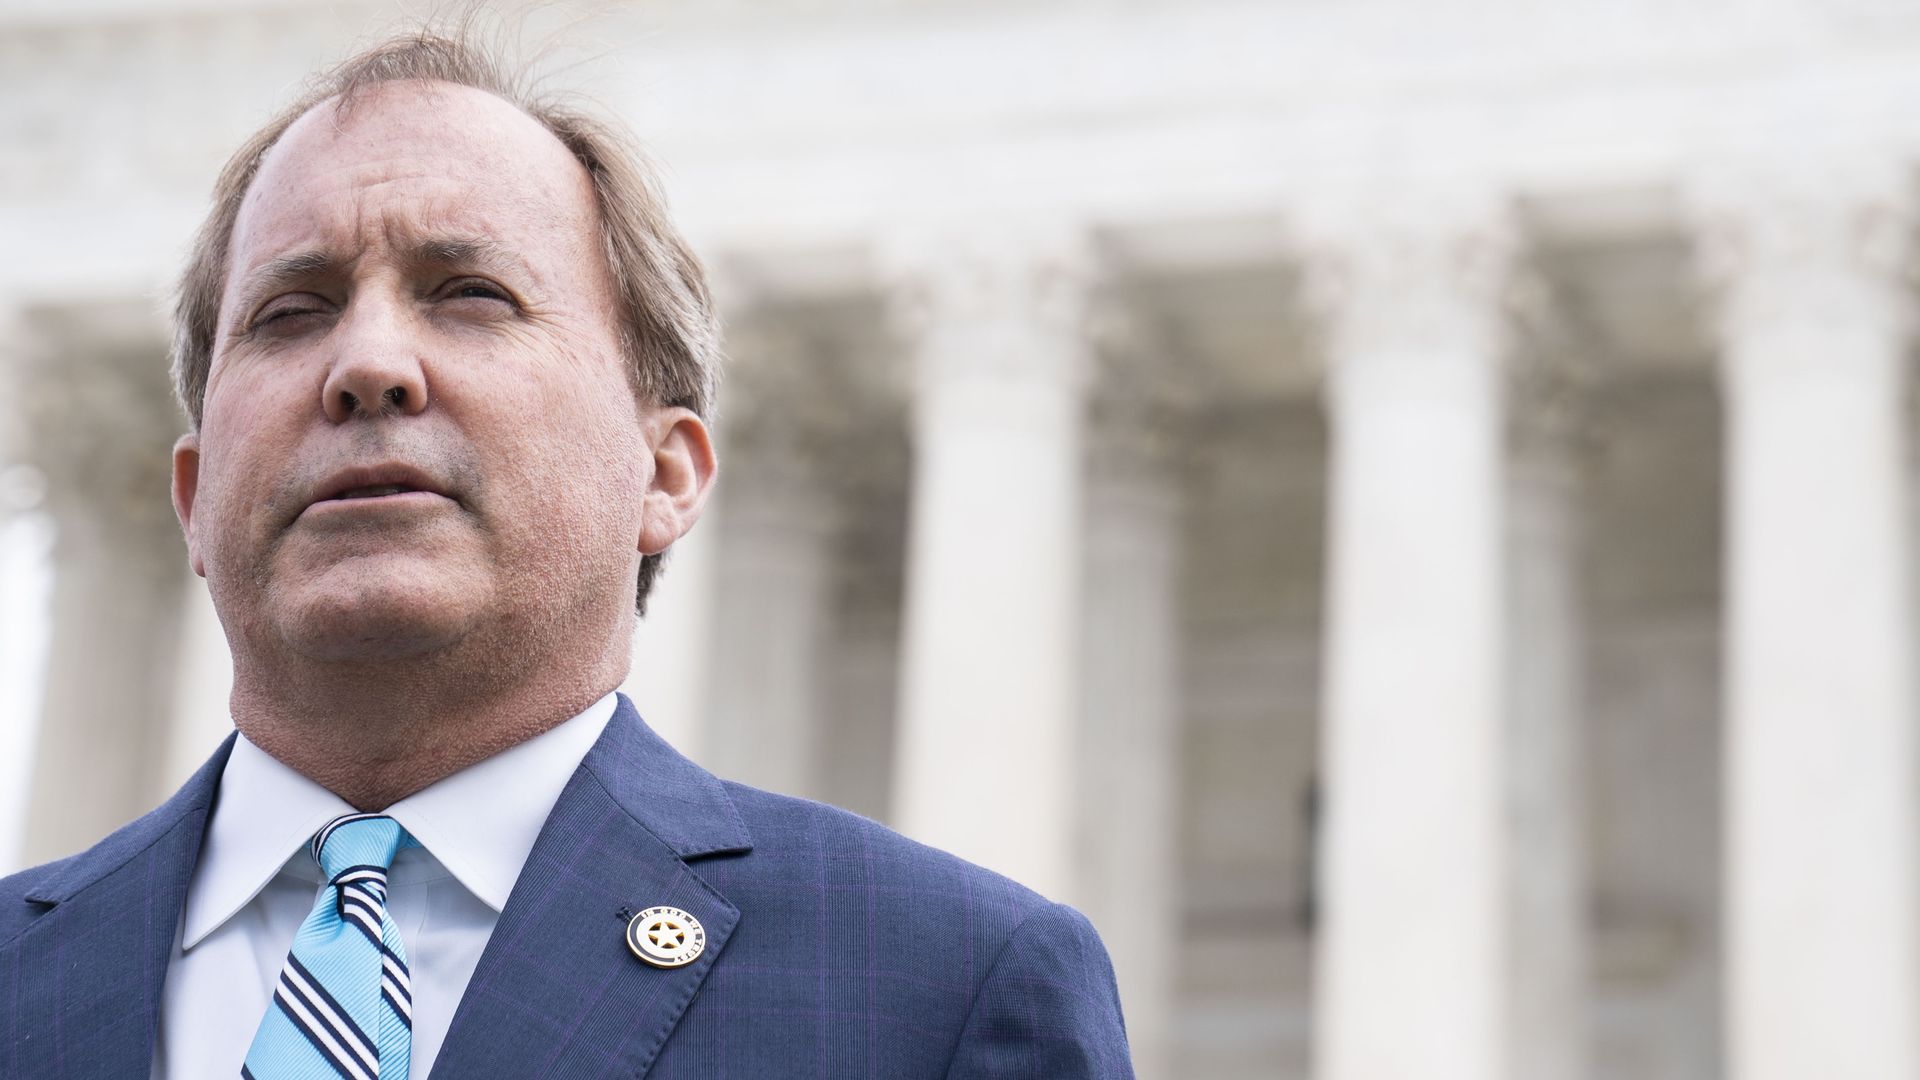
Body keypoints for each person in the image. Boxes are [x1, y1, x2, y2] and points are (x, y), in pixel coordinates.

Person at [0, 28, 1133, 1080]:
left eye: (472, 295)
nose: (369, 363)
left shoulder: (940, 993)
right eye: (291, 312)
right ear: (193, 500)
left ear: (666, 473)